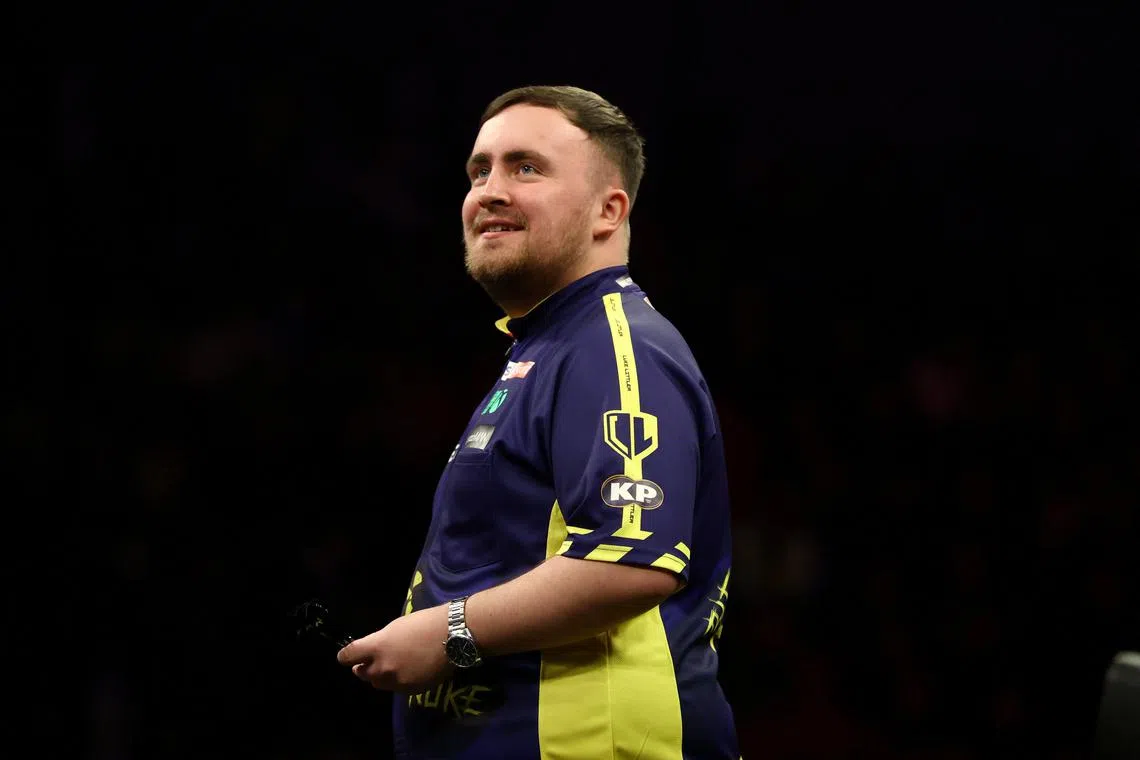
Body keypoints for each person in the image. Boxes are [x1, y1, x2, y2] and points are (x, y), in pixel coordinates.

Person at [337, 84, 740, 759]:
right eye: (479, 169)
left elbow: (631, 557)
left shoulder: (616, 346)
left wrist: (447, 631)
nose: (489, 190)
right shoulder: (548, 349)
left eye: (526, 167)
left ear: (608, 211)